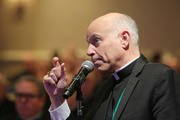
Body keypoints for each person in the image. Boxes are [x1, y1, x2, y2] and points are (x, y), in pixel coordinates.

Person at [43, 13, 180, 120]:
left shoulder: (159, 77)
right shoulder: (104, 87)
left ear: (124, 39)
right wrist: (57, 98)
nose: (89, 51)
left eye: (96, 41)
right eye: (88, 43)